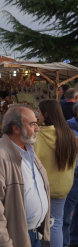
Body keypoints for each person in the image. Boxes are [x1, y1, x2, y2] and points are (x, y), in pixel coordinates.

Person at [0, 105, 50, 247]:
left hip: (32, 234)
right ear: (16, 128)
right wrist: (4, 243)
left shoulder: (27, 150)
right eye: (32, 124)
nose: (37, 128)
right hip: (15, 238)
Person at [35, 100, 78, 247]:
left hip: (41, 187)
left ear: (46, 114)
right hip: (63, 186)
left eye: (39, 112)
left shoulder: (38, 135)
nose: (37, 114)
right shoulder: (70, 135)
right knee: (57, 223)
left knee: (33, 222)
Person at [64, 103, 78, 247]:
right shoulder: (69, 128)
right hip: (73, 176)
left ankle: (74, 241)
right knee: (66, 214)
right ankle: (63, 243)